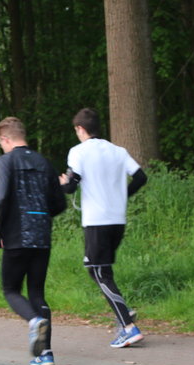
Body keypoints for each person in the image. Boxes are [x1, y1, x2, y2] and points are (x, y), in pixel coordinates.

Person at [60, 107, 148, 348]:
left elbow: (70, 187)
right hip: (117, 220)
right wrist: (123, 196)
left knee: (99, 273)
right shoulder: (118, 151)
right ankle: (124, 313)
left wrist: (63, 183)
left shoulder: (78, 152)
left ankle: (128, 327)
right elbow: (141, 177)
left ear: (80, 129)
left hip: (97, 221)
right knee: (99, 270)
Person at [0, 117, 67, 365]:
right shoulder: (44, 162)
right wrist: (41, 217)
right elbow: (59, 203)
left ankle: (34, 321)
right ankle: (45, 354)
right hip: (42, 235)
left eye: (0, 143)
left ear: (5, 139)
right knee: (37, 292)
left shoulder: (4, 162)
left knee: (11, 290)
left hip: (15, 235)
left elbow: (1, 199)